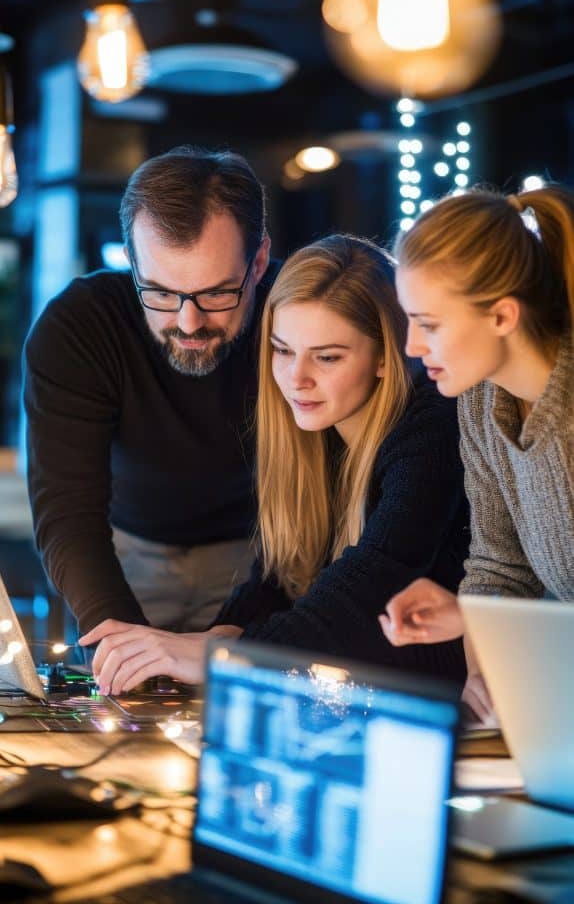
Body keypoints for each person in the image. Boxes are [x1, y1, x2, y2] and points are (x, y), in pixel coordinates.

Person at [79, 233, 470, 694]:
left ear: (386, 354)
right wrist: (211, 642)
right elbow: (274, 583)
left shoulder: (432, 432)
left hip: (454, 716)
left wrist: (219, 656)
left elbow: (360, 598)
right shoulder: (319, 434)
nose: (296, 379)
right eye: (282, 351)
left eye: (326, 357)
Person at [23, 145, 276, 637]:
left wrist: (233, 641)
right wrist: (117, 637)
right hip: (123, 551)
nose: (189, 322)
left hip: (263, 551)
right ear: (132, 264)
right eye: (159, 292)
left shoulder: (300, 317)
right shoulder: (79, 327)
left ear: (260, 260)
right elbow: (67, 511)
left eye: (217, 293)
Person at [378, 183, 574, 721]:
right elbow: (498, 569)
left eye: (429, 325)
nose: (413, 348)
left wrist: (470, 617)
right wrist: (485, 682)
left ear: (502, 316)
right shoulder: (481, 402)